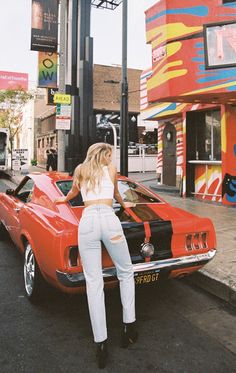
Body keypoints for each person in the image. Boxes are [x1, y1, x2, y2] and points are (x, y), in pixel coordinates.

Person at [55, 143, 138, 369]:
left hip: (88, 222)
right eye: (110, 154)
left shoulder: (81, 169)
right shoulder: (110, 169)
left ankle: (101, 343)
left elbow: (72, 193)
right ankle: (129, 326)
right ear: (105, 154)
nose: (112, 157)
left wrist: (63, 200)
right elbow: (116, 193)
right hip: (110, 222)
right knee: (126, 271)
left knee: (94, 282)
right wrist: (125, 205)